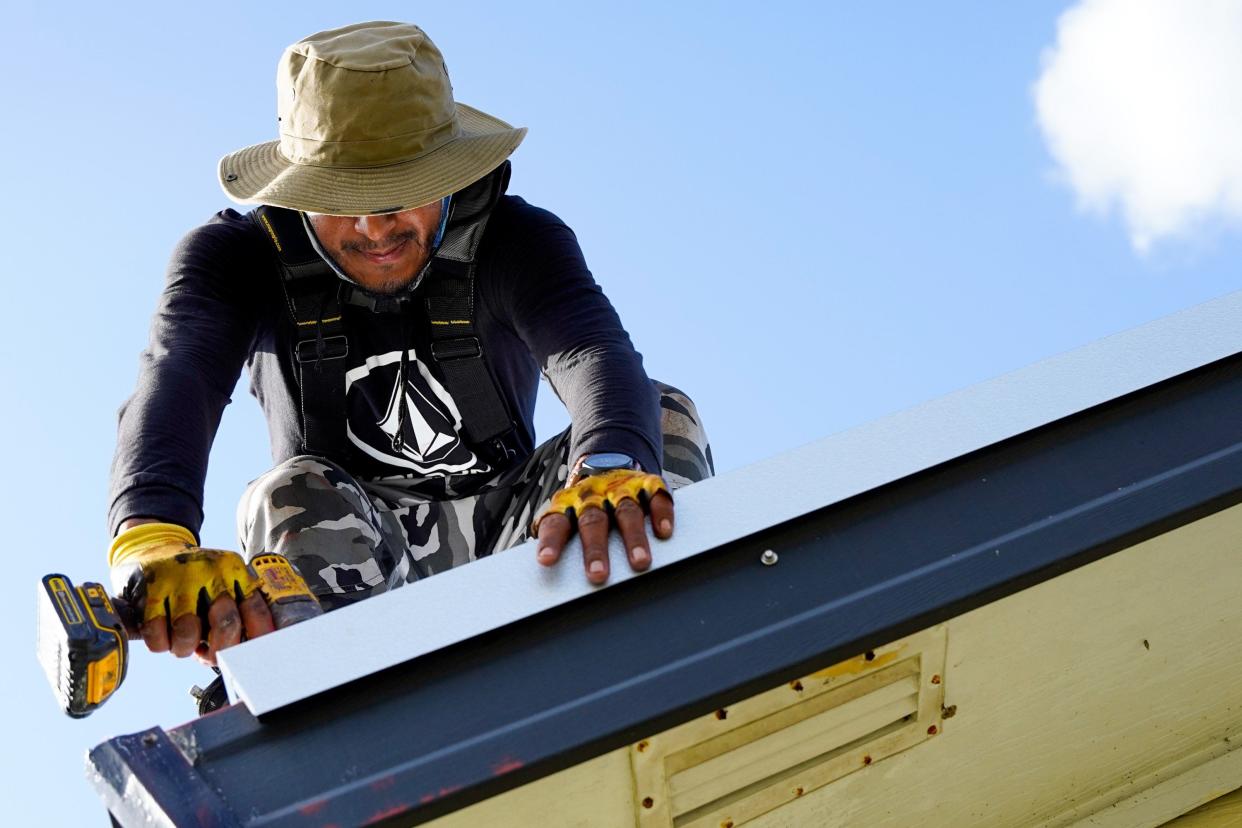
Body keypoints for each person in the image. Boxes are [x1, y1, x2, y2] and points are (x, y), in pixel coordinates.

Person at [106, 21, 713, 667]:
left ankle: (663, 646)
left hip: (522, 527)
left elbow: (590, 351)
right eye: (337, 198)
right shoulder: (234, 259)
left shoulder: (519, 240)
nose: (371, 228)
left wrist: (608, 468)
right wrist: (151, 535)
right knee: (288, 488)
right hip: (347, 545)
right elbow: (181, 376)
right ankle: (322, 681)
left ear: (447, 177)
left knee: (658, 415)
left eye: (397, 194)